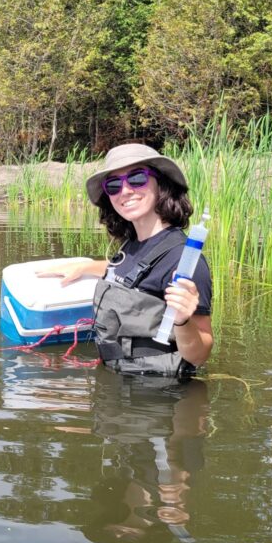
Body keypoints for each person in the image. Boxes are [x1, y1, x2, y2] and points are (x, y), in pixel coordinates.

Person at [39, 143, 213, 379]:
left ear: (161, 183)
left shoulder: (184, 261)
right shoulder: (132, 245)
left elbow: (200, 354)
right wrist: (87, 266)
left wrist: (182, 321)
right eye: (113, 185)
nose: (126, 191)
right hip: (116, 381)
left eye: (137, 178)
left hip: (156, 395)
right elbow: (135, 276)